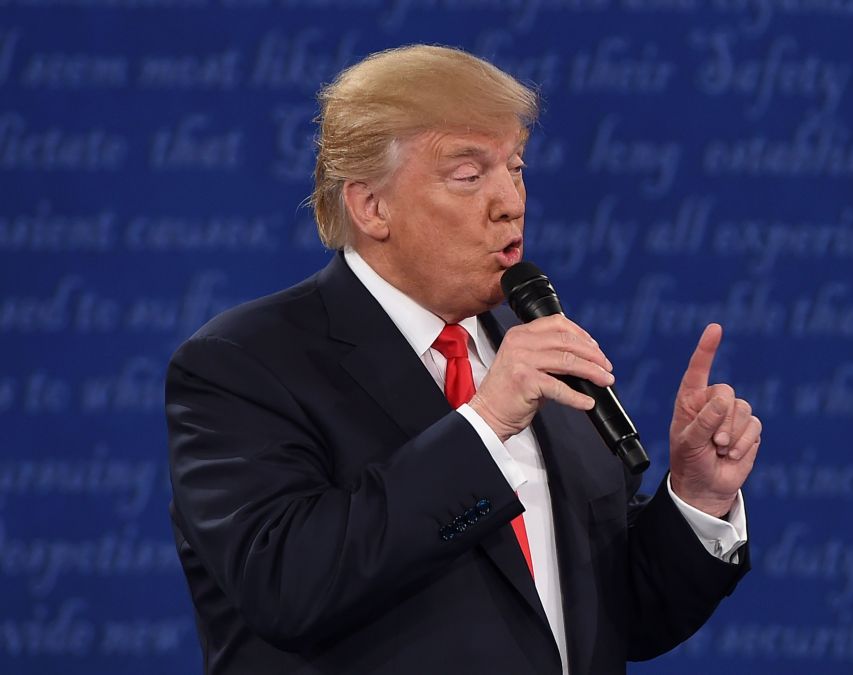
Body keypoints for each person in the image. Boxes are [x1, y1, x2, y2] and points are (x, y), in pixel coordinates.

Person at [165, 44, 761, 675]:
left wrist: (695, 500)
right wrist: (486, 424)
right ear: (371, 206)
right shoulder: (242, 365)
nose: (511, 201)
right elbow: (287, 586)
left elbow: (607, 615)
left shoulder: (527, 346)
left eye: (517, 167)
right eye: (469, 175)